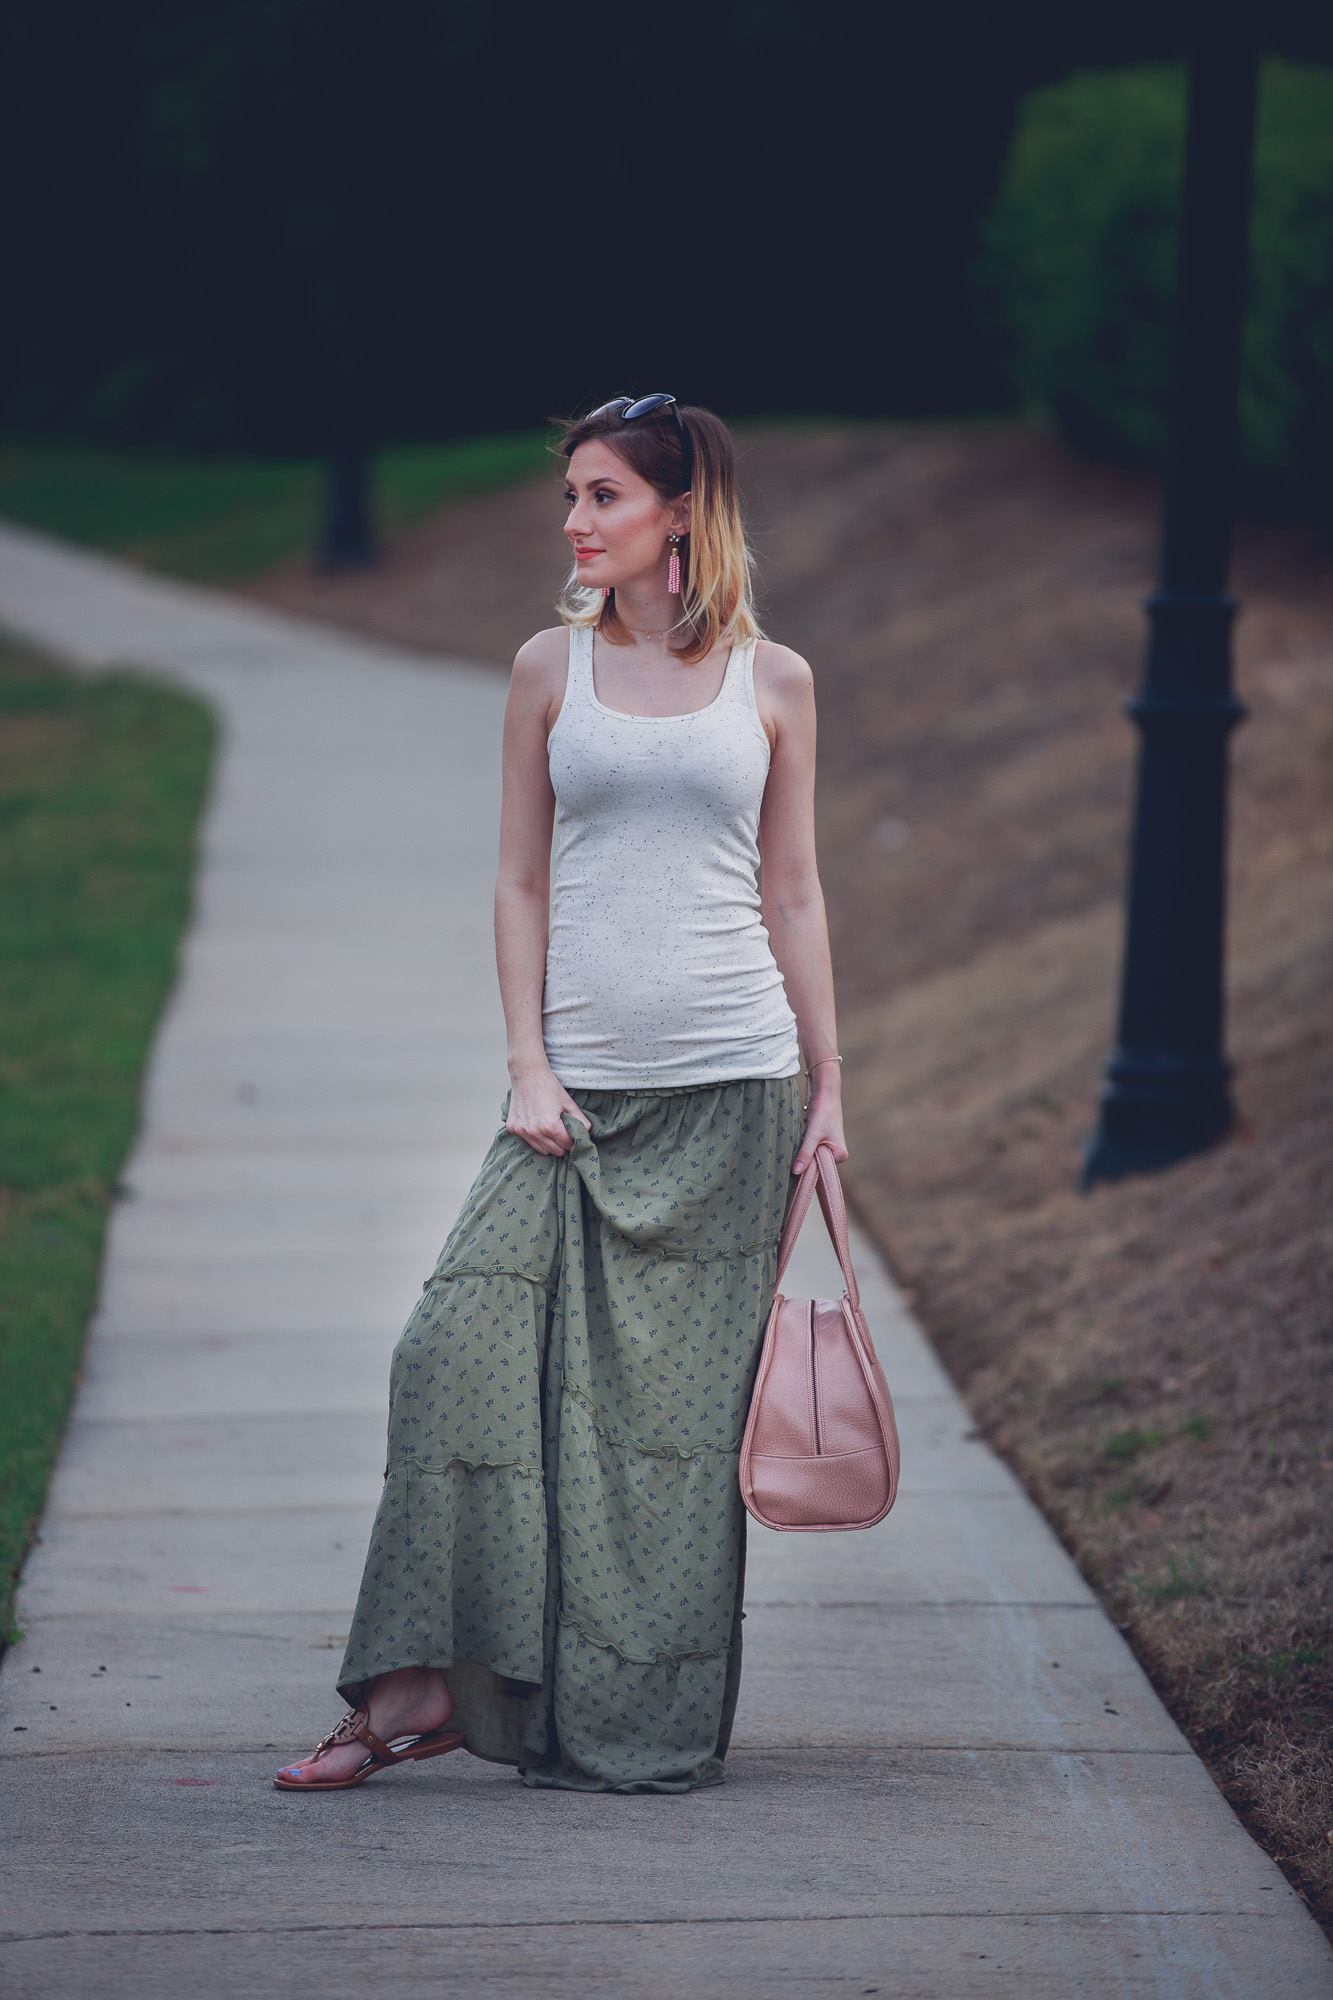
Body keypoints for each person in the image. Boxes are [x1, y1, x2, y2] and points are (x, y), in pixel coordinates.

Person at [275, 394, 846, 1794]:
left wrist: (830, 1088)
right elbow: (519, 876)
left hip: (731, 1096)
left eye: (601, 495)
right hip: (572, 1101)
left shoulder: (775, 681)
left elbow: (795, 889)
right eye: (572, 496)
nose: (575, 521)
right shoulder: (549, 668)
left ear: (679, 514)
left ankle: (630, 1721)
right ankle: (417, 1688)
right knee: (442, 1354)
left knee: (662, 1443)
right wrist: (528, 1062)